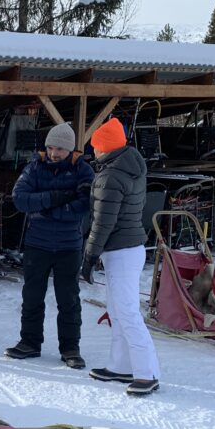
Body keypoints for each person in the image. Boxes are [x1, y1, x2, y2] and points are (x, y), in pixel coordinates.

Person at [81, 117, 161, 396]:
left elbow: (103, 222)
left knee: (127, 312)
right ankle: (120, 366)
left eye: (96, 147)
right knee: (117, 310)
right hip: (126, 248)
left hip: (121, 250)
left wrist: (89, 255)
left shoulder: (111, 176)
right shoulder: (128, 166)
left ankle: (146, 373)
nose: (94, 152)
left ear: (106, 147)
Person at [6, 123, 94, 368]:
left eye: (60, 149)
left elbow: (85, 204)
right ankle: (29, 342)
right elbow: (20, 199)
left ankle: (70, 348)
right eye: (50, 147)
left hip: (69, 246)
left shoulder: (83, 170)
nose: (54, 153)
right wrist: (54, 198)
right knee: (32, 296)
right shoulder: (34, 167)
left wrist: (46, 209)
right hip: (38, 244)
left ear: (70, 149)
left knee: (68, 299)